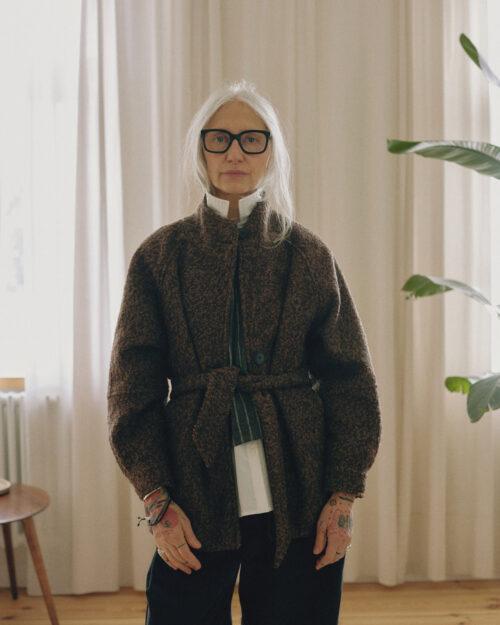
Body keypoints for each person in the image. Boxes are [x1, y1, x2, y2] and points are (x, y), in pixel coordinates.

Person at [107, 79, 381, 625]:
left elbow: (351, 380)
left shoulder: (307, 254)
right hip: (193, 490)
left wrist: (343, 495)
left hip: (299, 487)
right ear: (200, 150)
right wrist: (157, 500)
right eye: (220, 138)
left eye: (252, 139)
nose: (235, 152)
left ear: (271, 152)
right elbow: (130, 390)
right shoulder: (159, 257)